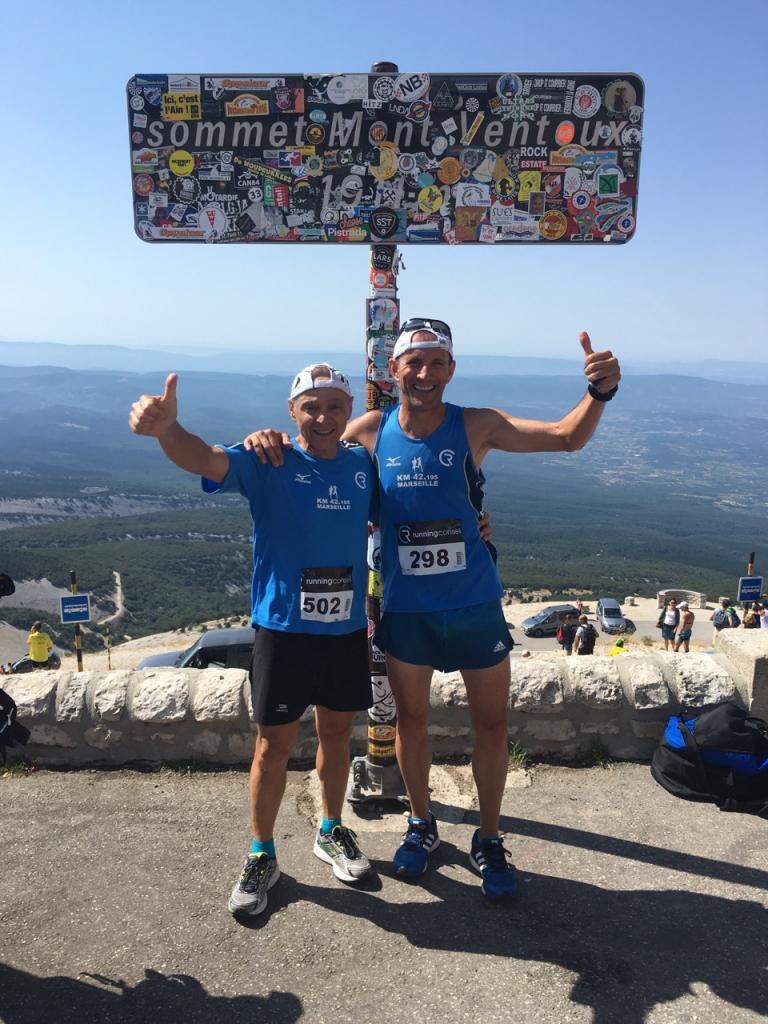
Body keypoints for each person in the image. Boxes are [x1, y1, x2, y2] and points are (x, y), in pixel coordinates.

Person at [245, 319, 620, 901]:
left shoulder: (477, 424)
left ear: (451, 369)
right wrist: (263, 441)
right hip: (407, 611)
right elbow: (313, 465)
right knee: (410, 722)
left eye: (435, 362)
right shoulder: (369, 431)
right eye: (412, 362)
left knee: (492, 725)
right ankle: (421, 825)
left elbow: (566, 437)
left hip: (473, 604)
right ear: (392, 371)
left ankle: (489, 837)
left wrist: (598, 393)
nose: (424, 373)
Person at [129, 364, 378, 919]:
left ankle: (331, 829)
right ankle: (262, 851)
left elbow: (408, 509)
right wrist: (169, 429)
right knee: (273, 746)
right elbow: (204, 459)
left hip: (342, 632)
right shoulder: (269, 460)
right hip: (284, 630)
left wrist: (476, 525)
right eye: (311, 406)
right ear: (292, 412)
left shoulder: (363, 465)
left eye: (335, 405)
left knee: (337, 736)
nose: (323, 416)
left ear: (347, 411)